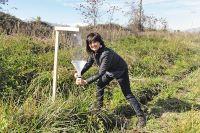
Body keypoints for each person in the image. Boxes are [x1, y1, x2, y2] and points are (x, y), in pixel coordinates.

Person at [74, 32, 146, 127]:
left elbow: (100, 73)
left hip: (120, 70)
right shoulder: (93, 53)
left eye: (95, 42)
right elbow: (88, 64)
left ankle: (141, 117)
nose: (92, 45)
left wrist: (86, 81)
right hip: (109, 71)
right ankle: (98, 109)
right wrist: (79, 73)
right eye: (90, 43)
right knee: (100, 85)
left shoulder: (106, 53)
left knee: (127, 94)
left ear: (100, 42)